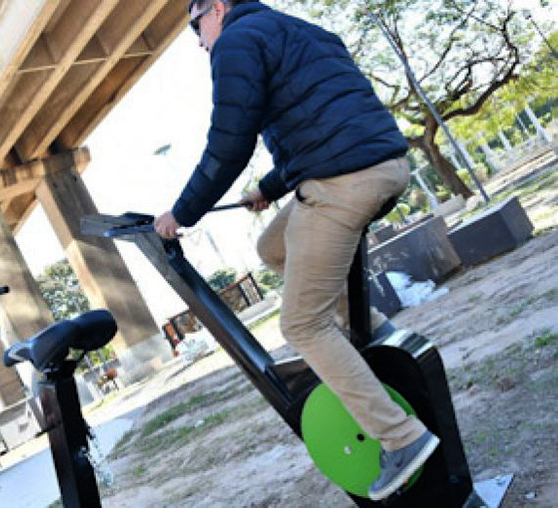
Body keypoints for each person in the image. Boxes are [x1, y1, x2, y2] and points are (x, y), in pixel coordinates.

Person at [153, 0, 439, 501]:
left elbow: (229, 141)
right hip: (383, 165)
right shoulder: (298, 30)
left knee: (302, 325)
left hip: (341, 184)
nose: (199, 42)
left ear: (215, 8)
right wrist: (269, 185)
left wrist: (182, 213)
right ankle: (371, 325)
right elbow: (325, 124)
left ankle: (403, 438)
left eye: (196, 28)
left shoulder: (236, 42)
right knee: (272, 245)